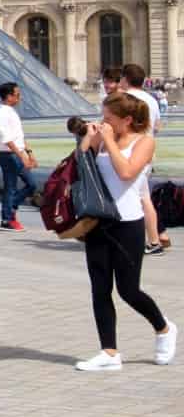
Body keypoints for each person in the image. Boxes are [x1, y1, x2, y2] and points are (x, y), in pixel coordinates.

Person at [74, 93, 176, 370]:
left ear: (127, 120)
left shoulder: (145, 142)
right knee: (100, 288)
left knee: (129, 289)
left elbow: (127, 173)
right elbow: (80, 169)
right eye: (102, 117)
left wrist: (107, 140)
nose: (103, 122)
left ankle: (164, 328)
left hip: (128, 222)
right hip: (98, 221)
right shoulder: (102, 139)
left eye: (108, 118)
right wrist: (87, 139)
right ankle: (109, 352)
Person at [120, 64, 168, 255]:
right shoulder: (152, 99)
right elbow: (156, 127)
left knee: (139, 198)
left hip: (129, 153)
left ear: (125, 78)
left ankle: (153, 239)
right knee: (143, 197)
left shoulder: (124, 99)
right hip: (147, 153)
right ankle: (155, 238)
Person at [0, 82, 36, 232]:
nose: (19, 97)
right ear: (9, 96)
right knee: (10, 188)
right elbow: (7, 139)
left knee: (32, 184)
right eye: (17, 94)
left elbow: (20, 136)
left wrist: (29, 153)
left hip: (17, 153)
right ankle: (7, 219)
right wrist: (21, 156)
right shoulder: (2, 114)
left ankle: (9, 208)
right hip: (9, 155)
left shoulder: (11, 112)